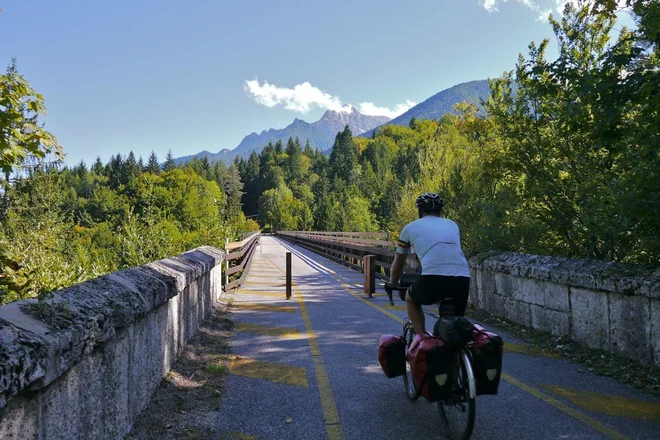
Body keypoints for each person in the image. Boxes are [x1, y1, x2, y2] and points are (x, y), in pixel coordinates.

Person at [389, 192, 470, 335]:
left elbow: (397, 266)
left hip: (433, 277)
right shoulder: (452, 225)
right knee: (456, 330)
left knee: (410, 298)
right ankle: (460, 355)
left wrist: (393, 283)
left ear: (420, 211)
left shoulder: (409, 228)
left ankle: (422, 337)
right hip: (462, 277)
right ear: (440, 210)